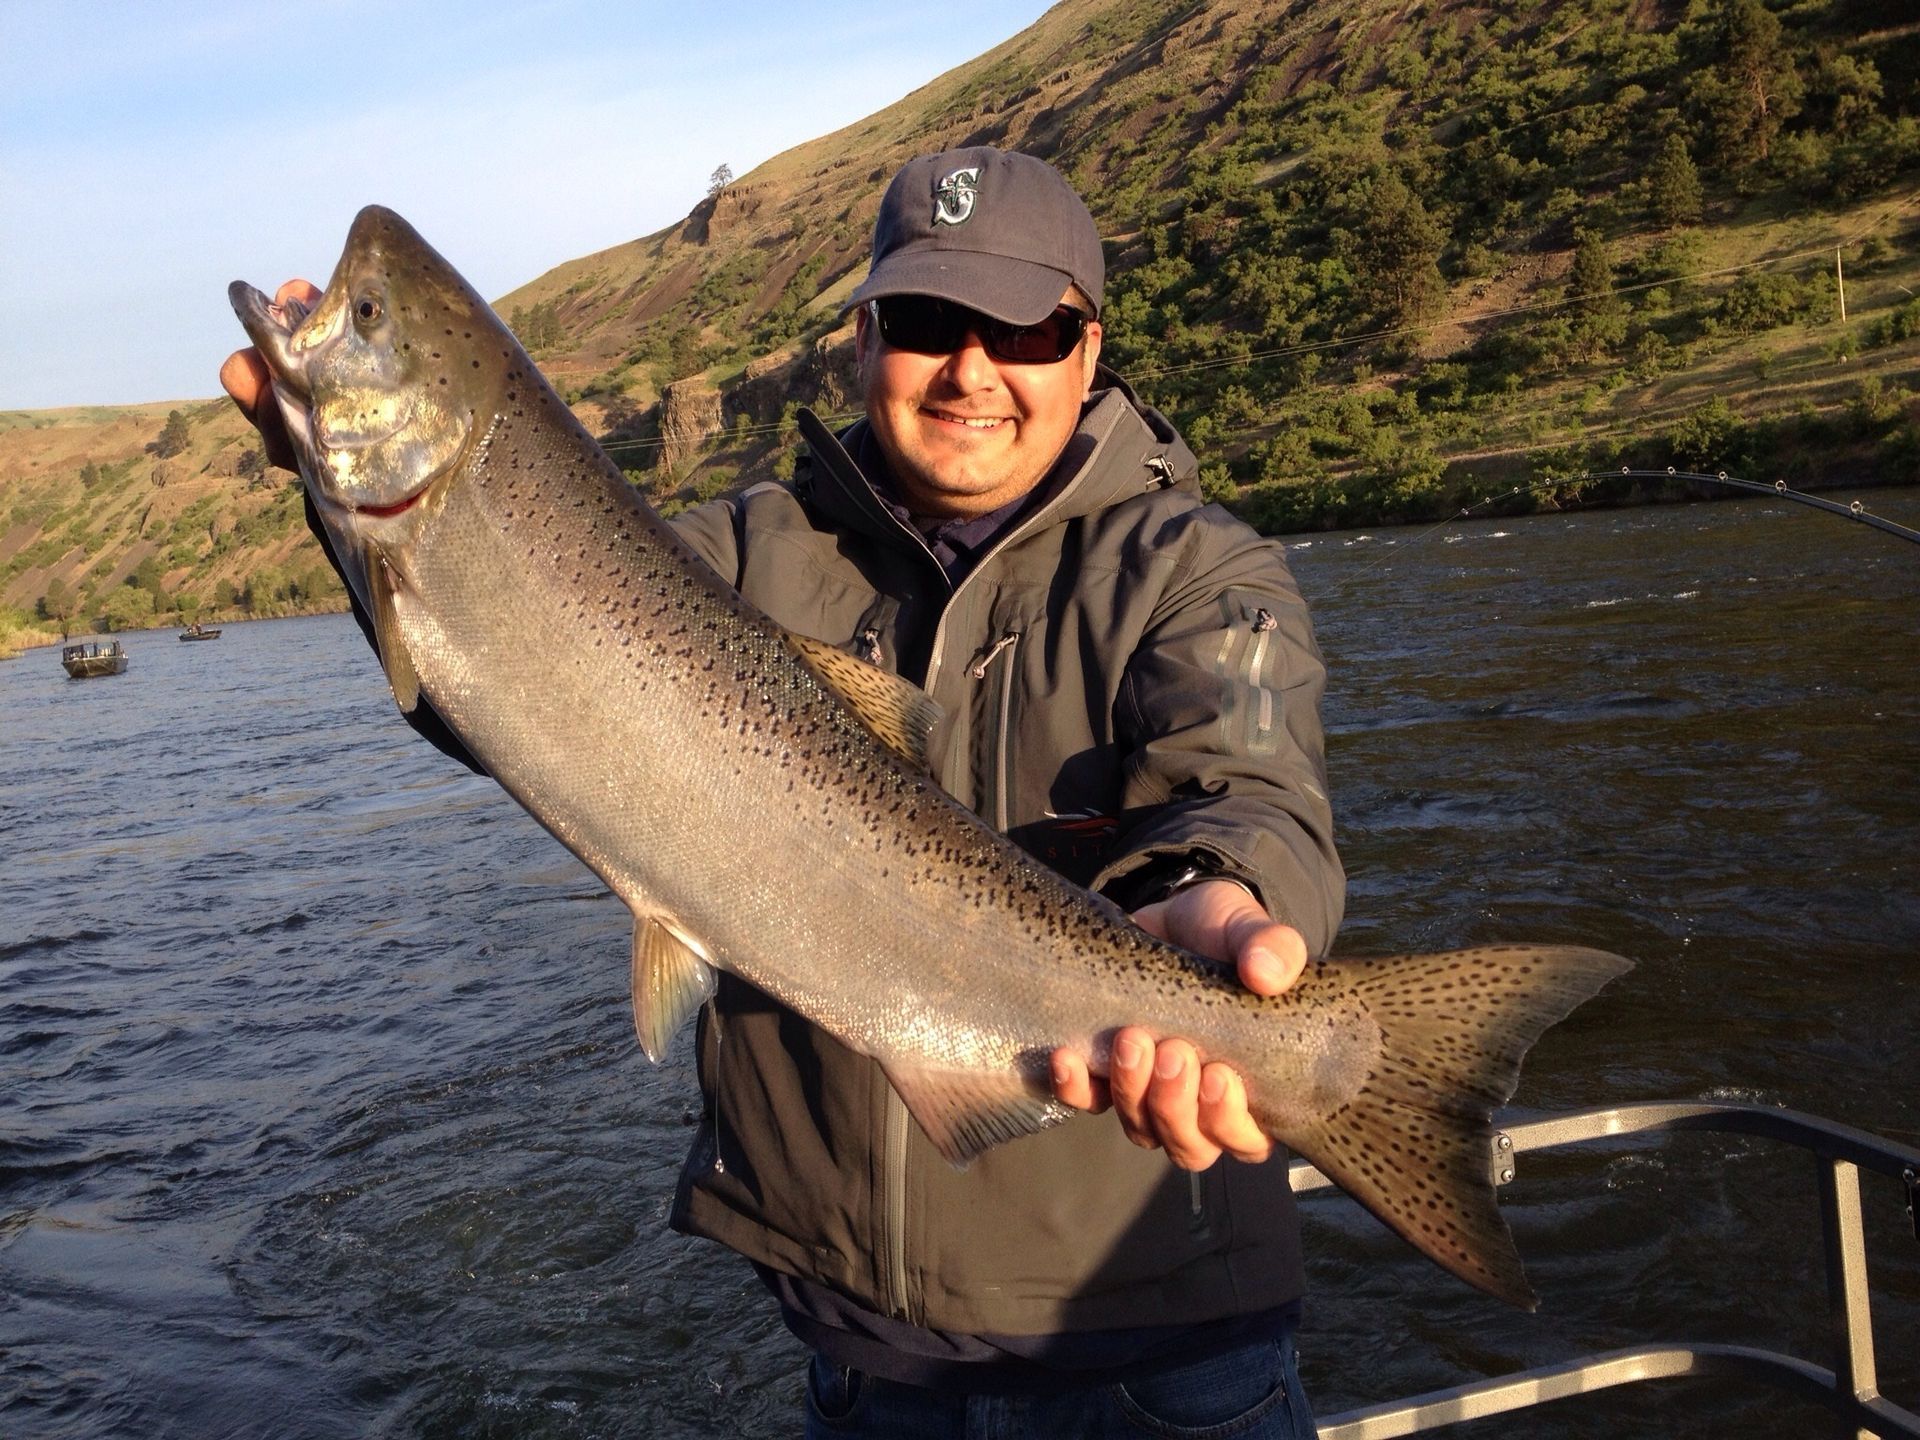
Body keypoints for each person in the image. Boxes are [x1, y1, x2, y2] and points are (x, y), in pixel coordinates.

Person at [224, 145, 1343, 1438]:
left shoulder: (1198, 569)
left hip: (1169, 1355)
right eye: (926, 322)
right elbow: (494, 689)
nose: (972, 368)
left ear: (1089, 352)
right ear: (862, 340)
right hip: (865, 1365)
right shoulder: (738, 555)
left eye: (1025, 327)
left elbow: (1248, 783)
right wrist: (357, 512)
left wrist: (1221, 899)